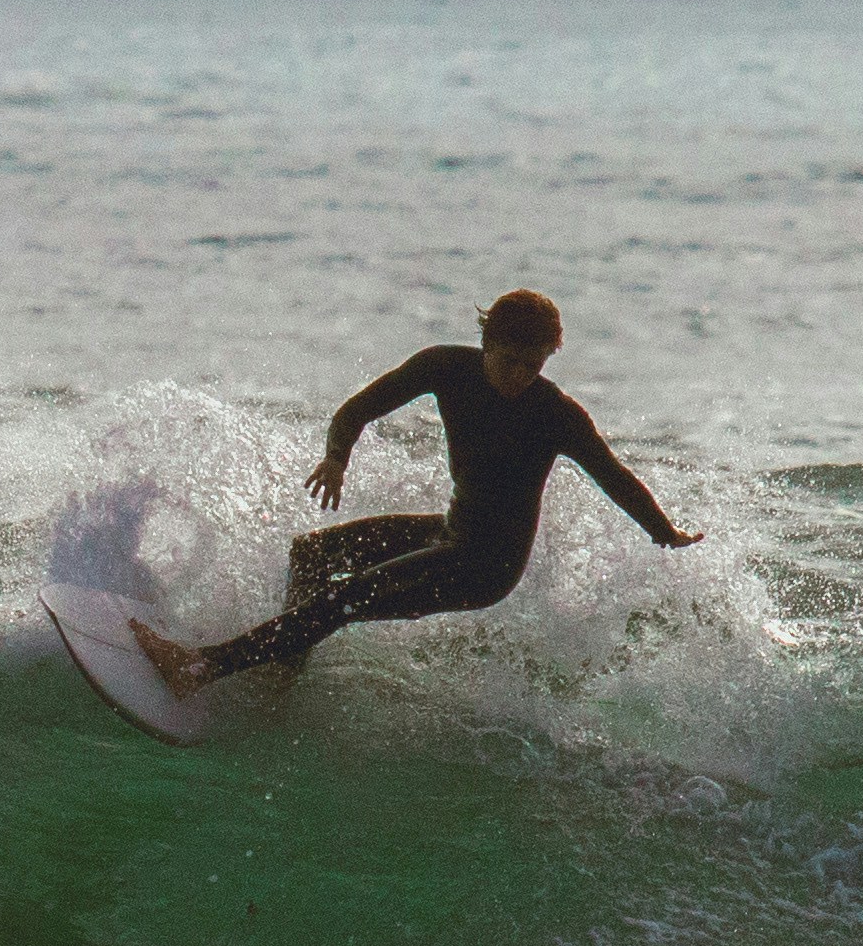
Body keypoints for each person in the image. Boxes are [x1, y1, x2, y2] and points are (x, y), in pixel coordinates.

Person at [132, 287, 698, 694]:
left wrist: (663, 532)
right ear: (486, 342)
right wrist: (336, 458)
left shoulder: (556, 415)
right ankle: (284, 667)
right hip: (450, 533)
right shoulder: (445, 368)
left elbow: (614, 477)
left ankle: (199, 668)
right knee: (311, 554)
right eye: (509, 361)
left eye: (534, 365)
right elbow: (357, 409)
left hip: (487, 566)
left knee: (348, 597)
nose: (520, 376)